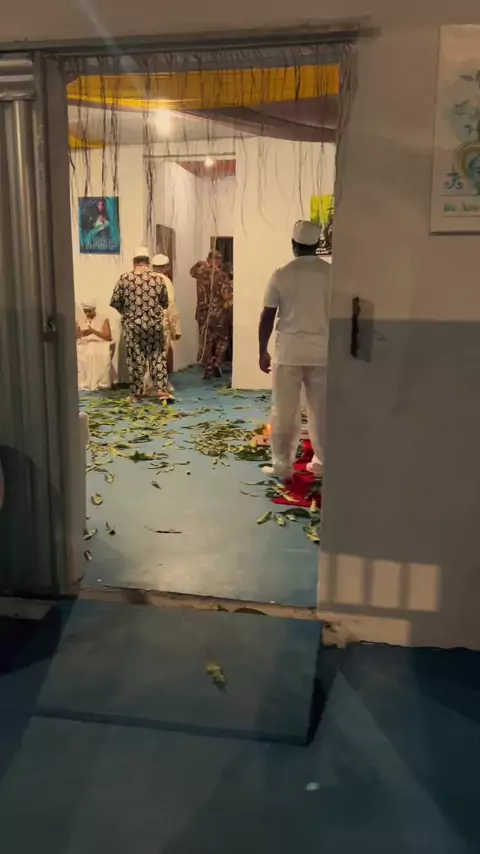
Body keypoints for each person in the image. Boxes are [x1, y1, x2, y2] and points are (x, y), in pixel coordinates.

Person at [258, 220, 331, 481]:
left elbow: (267, 316)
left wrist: (262, 351)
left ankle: (282, 466)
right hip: (323, 353)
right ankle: (322, 463)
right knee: (321, 411)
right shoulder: (332, 274)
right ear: (318, 244)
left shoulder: (281, 274)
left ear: (293, 244)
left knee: (284, 411)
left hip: (289, 353)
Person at [110, 246, 170, 403]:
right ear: (148, 262)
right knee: (157, 356)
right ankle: (162, 391)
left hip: (133, 326)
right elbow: (165, 303)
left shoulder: (124, 279)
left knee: (135, 358)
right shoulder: (158, 279)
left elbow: (115, 302)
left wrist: (128, 312)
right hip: (154, 325)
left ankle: (136, 394)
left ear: (134, 262)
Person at [143, 254, 182, 396]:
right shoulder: (165, 281)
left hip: (144, 324)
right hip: (160, 325)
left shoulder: (144, 279)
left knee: (147, 356)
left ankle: (148, 385)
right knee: (159, 356)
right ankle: (153, 387)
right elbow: (170, 306)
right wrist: (176, 329)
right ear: (166, 267)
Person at [190, 250, 231, 379]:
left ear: (208, 259)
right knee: (222, 339)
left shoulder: (200, 273)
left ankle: (207, 366)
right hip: (218, 313)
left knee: (206, 340)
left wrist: (199, 263)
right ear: (219, 261)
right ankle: (217, 362)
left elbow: (191, 271)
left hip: (203, 313)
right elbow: (226, 295)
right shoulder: (222, 275)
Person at [76, 298, 112, 391]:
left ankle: (100, 383)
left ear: (94, 309)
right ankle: (85, 384)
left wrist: (93, 331)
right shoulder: (81, 319)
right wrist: (81, 333)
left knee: (93, 351)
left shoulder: (103, 318)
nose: (87, 314)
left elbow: (108, 337)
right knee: (82, 352)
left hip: (99, 343)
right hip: (85, 343)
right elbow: (77, 335)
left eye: (89, 311)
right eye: (85, 311)